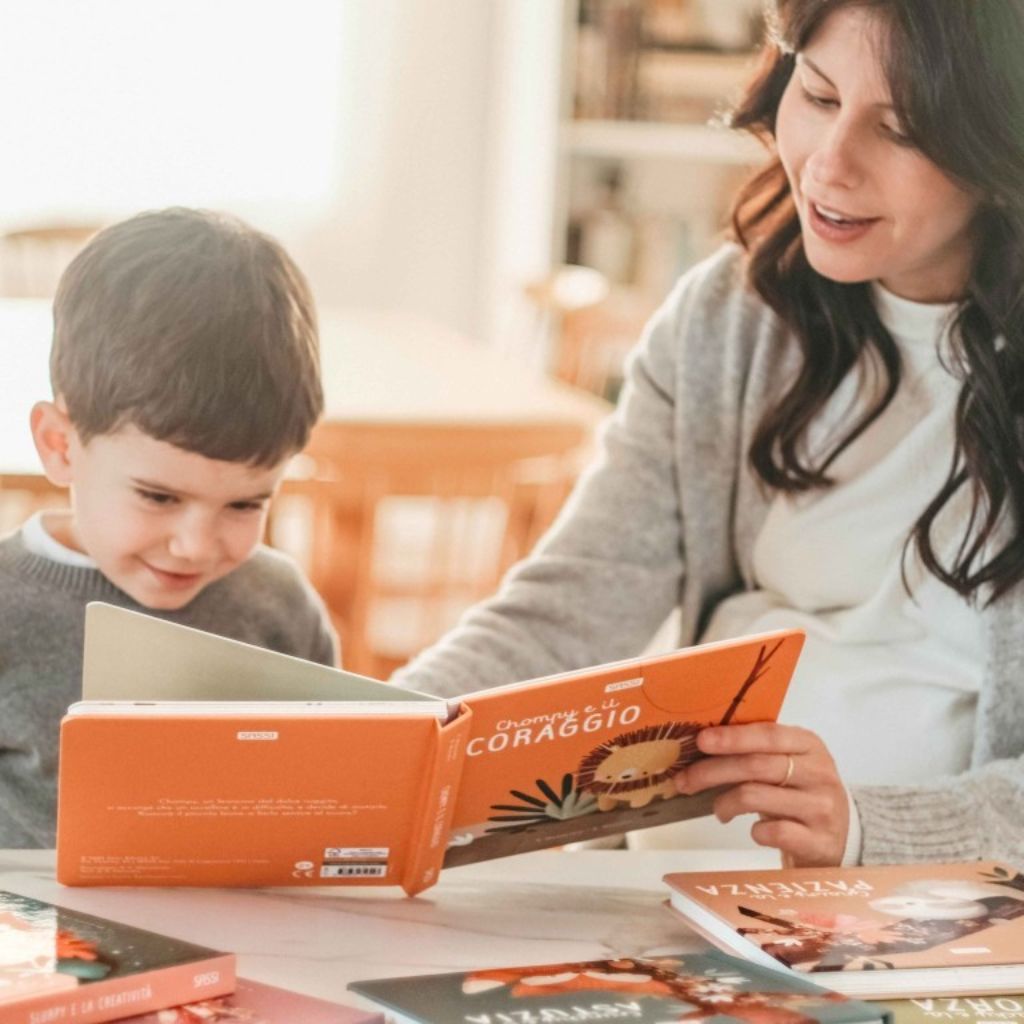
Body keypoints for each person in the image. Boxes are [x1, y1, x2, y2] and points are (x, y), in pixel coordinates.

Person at [394, 0, 1024, 868]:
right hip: (661, 881)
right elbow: (568, 610)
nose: (830, 164)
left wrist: (869, 829)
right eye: (818, 95)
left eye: (900, 130)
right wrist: (380, 740)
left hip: (922, 907)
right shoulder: (729, 321)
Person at [0, 208, 337, 847]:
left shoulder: (279, 606)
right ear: (60, 445)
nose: (195, 546)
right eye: (158, 497)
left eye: (245, 505)